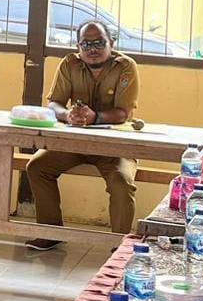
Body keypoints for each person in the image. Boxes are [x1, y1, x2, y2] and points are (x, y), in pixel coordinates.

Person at [25, 22, 140, 252]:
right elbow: (54, 103)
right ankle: (51, 232)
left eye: (99, 43)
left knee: (121, 183)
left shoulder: (126, 66)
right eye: (86, 44)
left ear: (111, 43)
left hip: (115, 146)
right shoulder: (70, 64)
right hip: (75, 143)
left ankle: (118, 247)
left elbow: (123, 113)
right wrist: (67, 115)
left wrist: (95, 117)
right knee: (37, 167)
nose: (92, 49)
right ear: (78, 46)